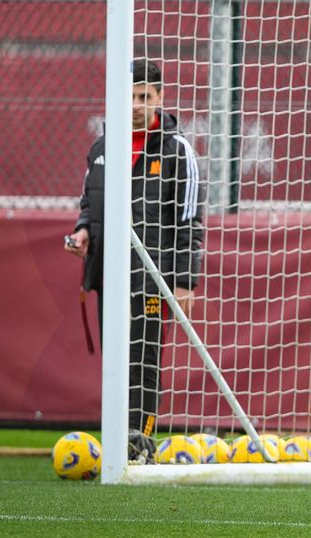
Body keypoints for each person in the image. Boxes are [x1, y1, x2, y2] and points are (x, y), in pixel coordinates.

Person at [65, 59, 204, 441]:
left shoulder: (178, 152)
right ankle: (116, 440)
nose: (137, 105)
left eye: (145, 97)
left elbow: (190, 221)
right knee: (114, 360)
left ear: (160, 97)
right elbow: (89, 201)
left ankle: (139, 440)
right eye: (130, 97)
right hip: (109, 273)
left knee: (143, 360)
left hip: (153, 277)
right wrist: (83, 231)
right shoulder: (102, 148)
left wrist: (184, 281)